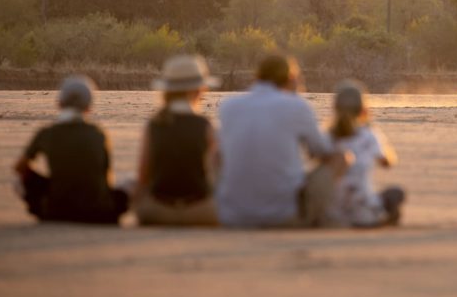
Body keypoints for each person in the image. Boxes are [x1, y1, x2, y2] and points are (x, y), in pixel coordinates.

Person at [214, 54, 346, 227]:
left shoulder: (228, 106)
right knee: (341, 157)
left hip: (232, 216)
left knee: (216, 155)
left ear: (258, 76)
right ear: (290, 78)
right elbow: (322, 151)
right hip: (283, 215)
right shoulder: (297, 106)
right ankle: (320, 215)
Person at [13, 76, 129, 224]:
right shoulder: (98, 134)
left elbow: (19, 167)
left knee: (18, 180)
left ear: (59, 103)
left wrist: (45, 182)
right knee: (130, 182)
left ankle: (42, 208)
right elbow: (106, 177)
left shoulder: (46, 133)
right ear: (89, 106)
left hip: (55, 210)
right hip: (98, 211)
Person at [134, 55, 219, 226]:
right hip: (200, 212)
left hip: (157, 212)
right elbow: (217, 171)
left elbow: (143, 175)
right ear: (198, 90)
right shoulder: (204, 125)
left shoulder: (154, 124)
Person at [325, 80, 405, 227]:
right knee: (396, 193)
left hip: (333, 213)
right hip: (365, 214)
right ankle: (381, 215)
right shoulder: (369, 134)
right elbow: (387, 162)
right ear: (363, 108)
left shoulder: (327, 136)